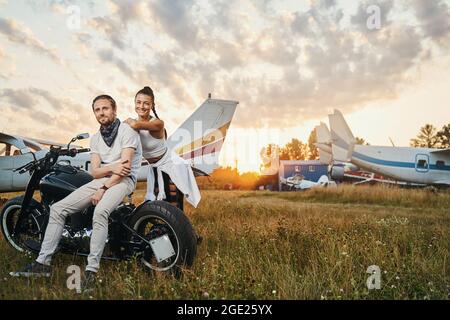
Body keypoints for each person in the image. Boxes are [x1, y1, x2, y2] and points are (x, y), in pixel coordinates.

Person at [12, 95, 142, 291]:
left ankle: (91, 271)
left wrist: (103, 188)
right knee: (57, 209)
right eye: (97, 110)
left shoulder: (127, 131)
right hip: (101, 180)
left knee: (100, 213)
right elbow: (95, 172)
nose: (101, 113)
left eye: (105, 108)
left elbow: (124, 171)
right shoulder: (97, 138)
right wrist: (112, 167)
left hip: (123, 181)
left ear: (114, 110)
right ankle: (42, 263)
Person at [124, 86, 201, 208]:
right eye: (138, 102)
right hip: (154, 167)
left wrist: (126, 121)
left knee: (173, 205)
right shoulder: (131, 124)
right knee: (157, 205)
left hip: (171, 165)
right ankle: (160, 228)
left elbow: (135, 124)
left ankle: (179, 227)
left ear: (152, 105)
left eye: (146, 103)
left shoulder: (158, 123)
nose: (141, 106)